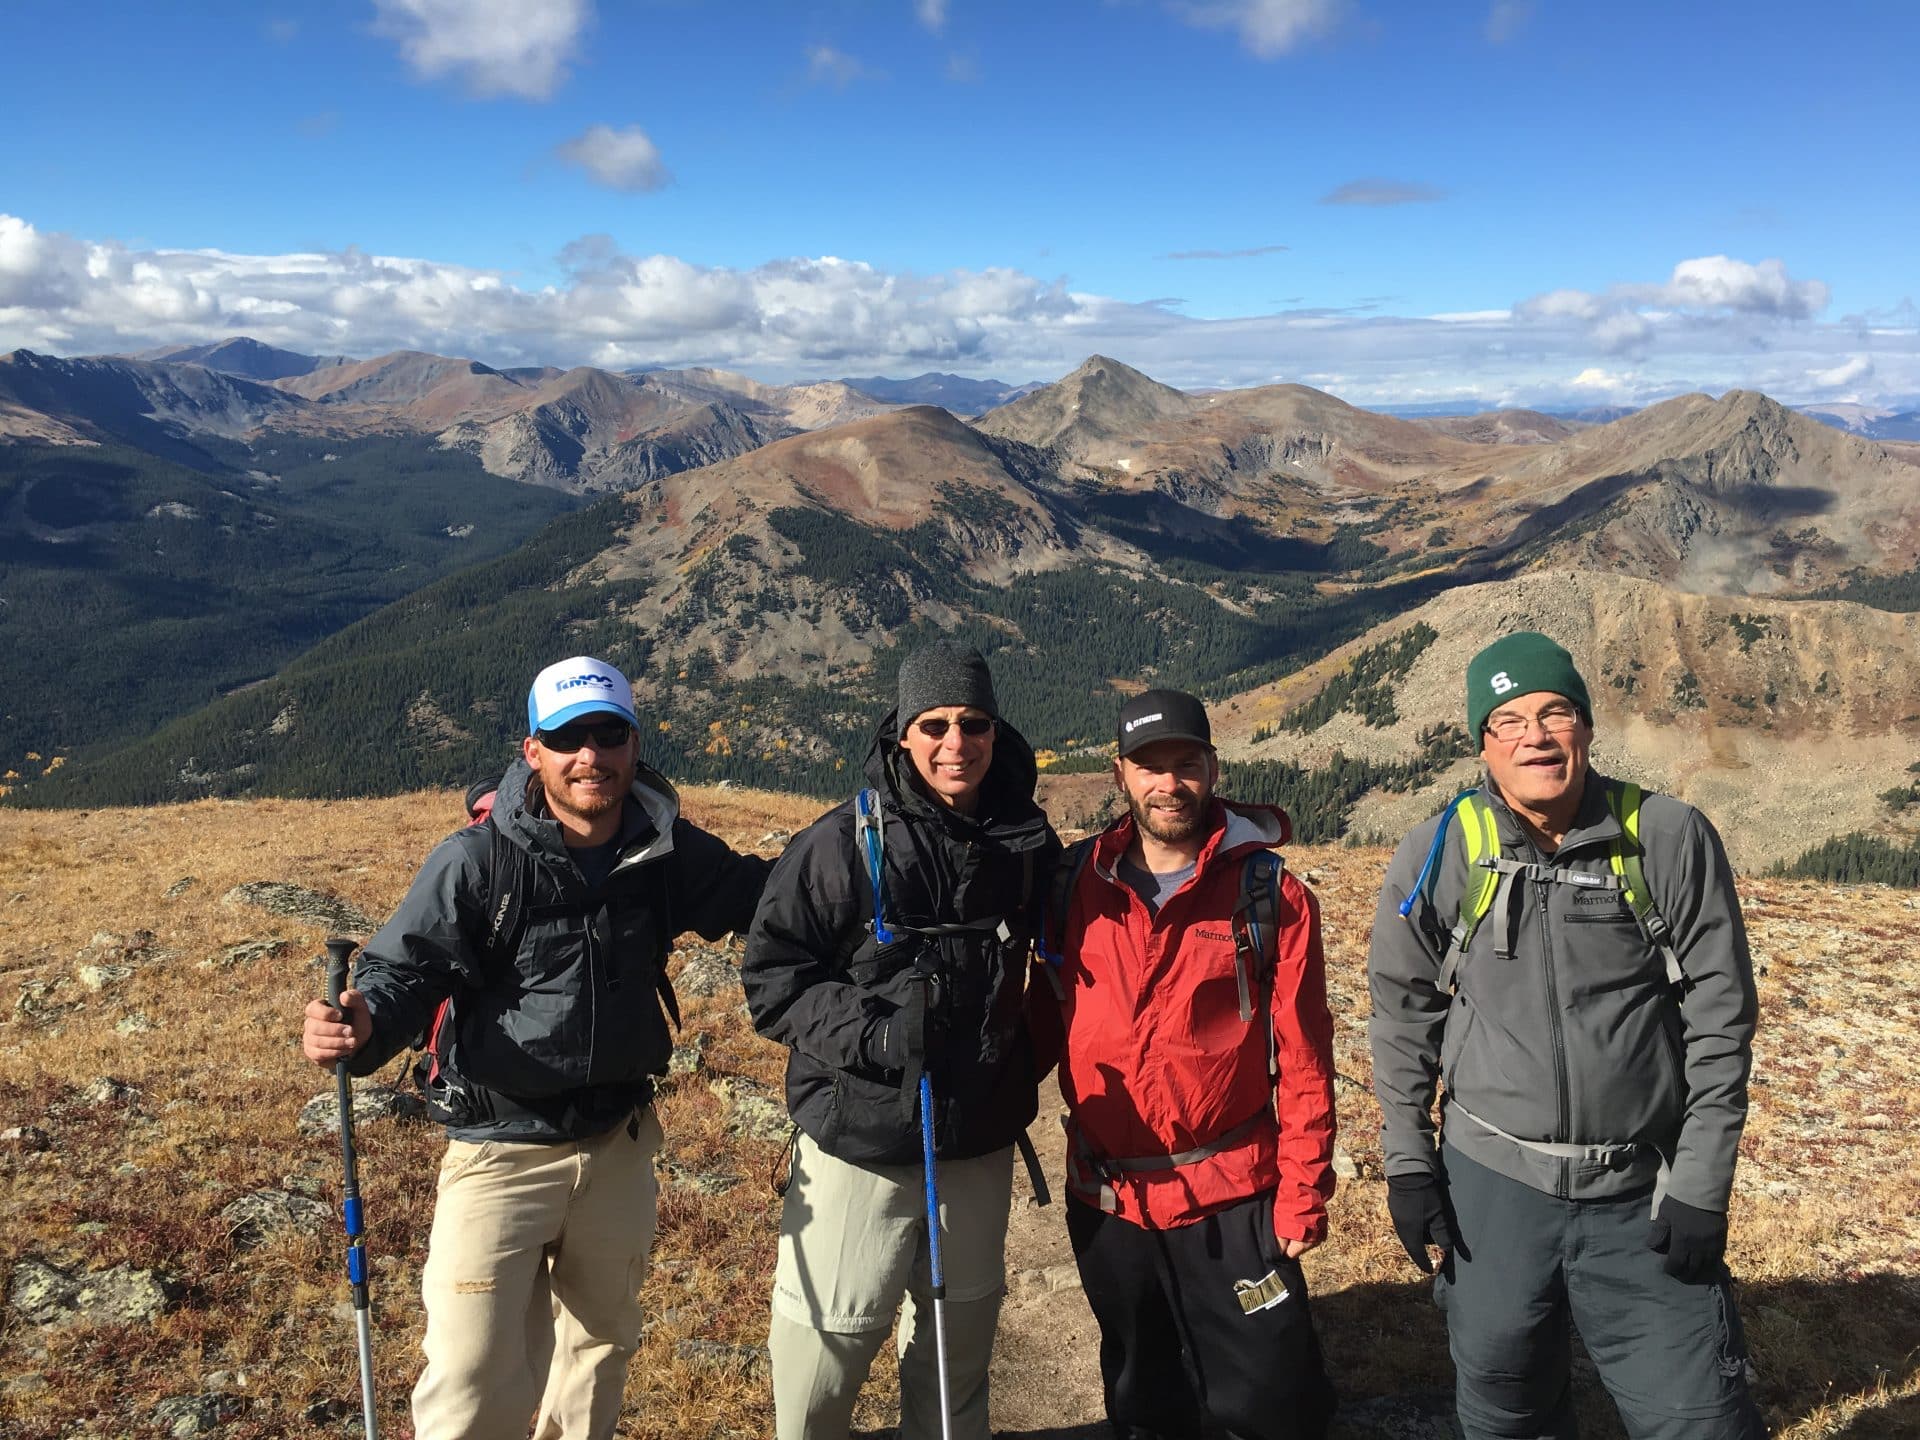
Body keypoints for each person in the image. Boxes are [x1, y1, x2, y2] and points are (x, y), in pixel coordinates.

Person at [301, 655, 770, 1440]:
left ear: (633, 743)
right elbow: (403, 971)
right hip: (498, 1150)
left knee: (596, 1354)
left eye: (607, 734)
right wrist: (363, 1025)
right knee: (473, 1372)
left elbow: (765, 895)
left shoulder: (665, 851)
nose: (591, 756)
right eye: (568, 738)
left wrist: (860, 860)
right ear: (533, 752)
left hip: (617, 1143)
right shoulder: (479, 861)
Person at [1369, 631, 1765, 1439]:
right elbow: (1402, 1013)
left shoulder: (1665, 837)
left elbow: (1722, 1020)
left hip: (1640, 1183)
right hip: (1492, 1183)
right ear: (1483, 743)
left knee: (1700, 1419)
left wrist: (1702, 1181)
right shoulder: (1440, 849)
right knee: (1507, 1407)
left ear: (1585, 727)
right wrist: (1410, 1163)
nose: (1536, 737)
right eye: (1508, 721)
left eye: (1555, 713)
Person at [742, 640, 1060, 1440]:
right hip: (863, 1136)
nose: (957, 742)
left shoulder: (1024, 845)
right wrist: (877, 1039)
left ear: (996, 729)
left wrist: (1019, 1058)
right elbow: (773, 979)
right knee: (828, 1348)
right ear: (902, 733)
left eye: (974, 722)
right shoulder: (841, 846)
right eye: (935, 723)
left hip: (979, 1136)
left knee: (959, 1351)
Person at [1029, 688, 1337, 1440]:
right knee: (1142, 1389)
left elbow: (1304, 1058)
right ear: (1120, 775)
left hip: (1232, 1195)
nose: (1169, 784)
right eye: (1150, 767)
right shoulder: (1073, 885)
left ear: (1212, 767)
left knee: (1268, 1397)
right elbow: (1034, 1016)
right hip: (1108, 1192)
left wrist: (1303, 1189)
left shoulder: (1271, 895)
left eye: (1185, 764)